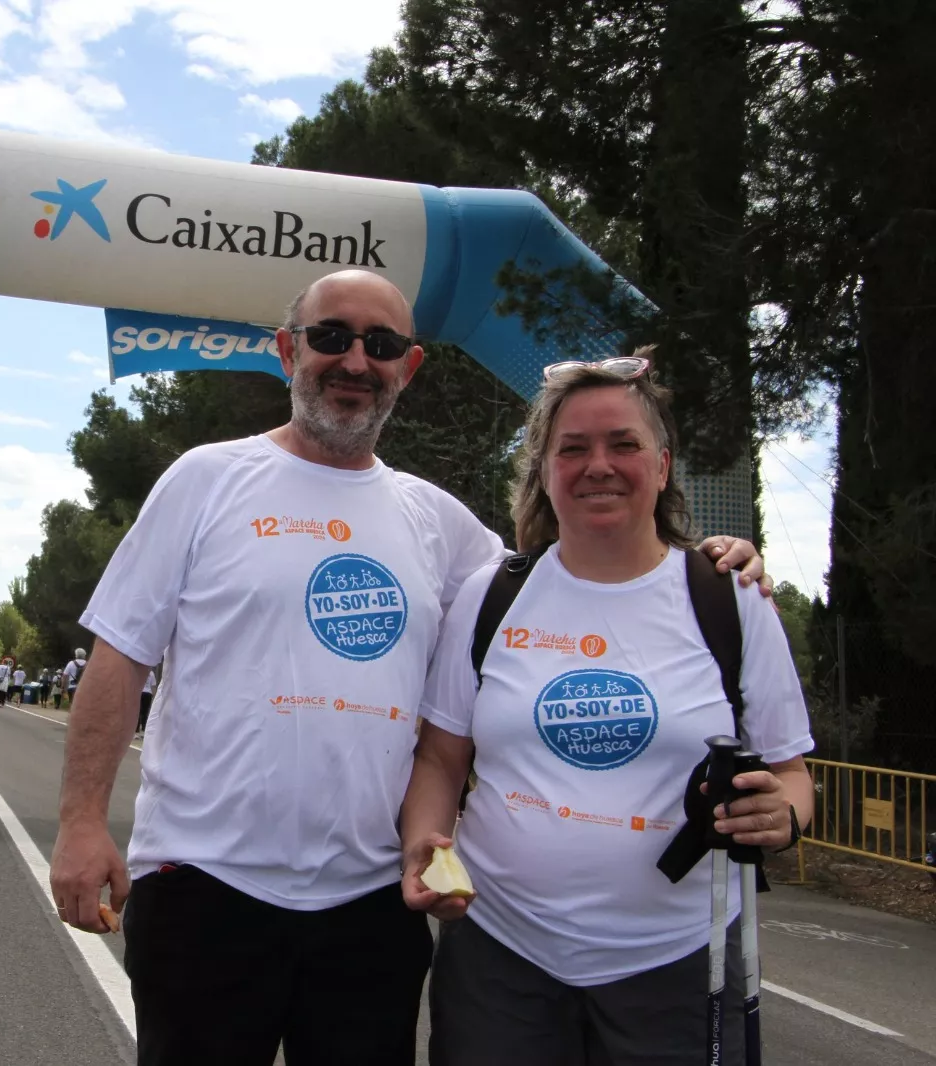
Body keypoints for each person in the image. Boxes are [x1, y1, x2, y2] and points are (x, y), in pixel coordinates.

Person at [47, 269, 768, 1066]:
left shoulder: (439, 522)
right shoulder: (206, 479)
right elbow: (120, 656)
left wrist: (704, 563)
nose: (355, 360)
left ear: (408, 367)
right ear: (288, 351)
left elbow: (581, 582)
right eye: (331, 336)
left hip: (369, 905)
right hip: (205, 887)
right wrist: (81, 823)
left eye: (381, 344)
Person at [400, 353, 813, 1066]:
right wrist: (424, 843)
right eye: (573, 448)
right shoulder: (490, 595)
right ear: (544, 471)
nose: (599, 465)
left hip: (677, 964)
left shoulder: (731, 599)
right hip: (501, 959)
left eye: (624, 444)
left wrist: (785, 817)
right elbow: (441, 758)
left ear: (662, 465)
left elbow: (792, 775)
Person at [136, 670, 156, 735]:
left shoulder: (140, 671)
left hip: (140, 692)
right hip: (148, 693)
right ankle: (143, 729)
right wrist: (154, 695)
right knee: (145, 712)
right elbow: (153, 685)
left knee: (138, 712)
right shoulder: (151, 673)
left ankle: (137, 730)